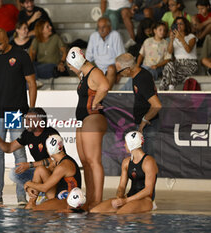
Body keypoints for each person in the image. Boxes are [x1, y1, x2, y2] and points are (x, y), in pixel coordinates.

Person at [0, 28, 37, 204]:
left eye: (0, 44)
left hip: (16, 112)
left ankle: (22, 195)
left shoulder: (21, 55)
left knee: (19, 152)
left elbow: (32, 84)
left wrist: (31, 110)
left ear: (7, 40)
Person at [66, 47, 109, 210]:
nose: (69, 67)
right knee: (85, 161)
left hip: (93, 119)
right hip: (82, 120)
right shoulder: (84, 74)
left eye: (70, 64)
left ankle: (97, 200)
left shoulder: (95, 72)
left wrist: (95, 103)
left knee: (93, 161)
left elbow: (104, 86)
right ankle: (89, 199)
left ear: (76, 61)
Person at [0, 107, 61, 203]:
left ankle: (45, 193)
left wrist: (30, 165)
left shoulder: (51, 134)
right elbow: (9, 148)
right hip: (39, 170)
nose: (25, 122)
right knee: (14, 173)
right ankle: (38, 193)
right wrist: (0, 141)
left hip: (53, 172)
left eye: (29, 120)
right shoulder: (27, 134)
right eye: (26, 119)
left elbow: (54, 161)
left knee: (40, 171)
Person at [91, 131, 158, 214]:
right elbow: (122, 186)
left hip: (146, 200)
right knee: (94, 212)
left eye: (125, 143)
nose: (124, 145)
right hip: (129, 197)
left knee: (121, 214)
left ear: (131, 145)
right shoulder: (126, 162)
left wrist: (126, 201)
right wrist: (119, 197)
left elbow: (148, 190)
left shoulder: (148, 162)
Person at [115, 53, 162, 157]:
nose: (119, 74)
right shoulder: (139, 75)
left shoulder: (142, 79)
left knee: (147, 161)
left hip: (149, 125)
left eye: (119, 71)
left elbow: (157, 105)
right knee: (143, 160)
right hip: (145, 125)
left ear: (127, 69)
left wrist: (144, 120)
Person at [24, 134, 82, 211]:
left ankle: (36, 206)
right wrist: (30, 188)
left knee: (35, 211)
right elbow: (43, 175)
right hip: (58, 196)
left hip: (68, 201)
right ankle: (31, 202)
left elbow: (45, 188)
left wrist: (28, 184)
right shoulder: (56, 162)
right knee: (40, 169)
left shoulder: (64, 165)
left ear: (49, 150)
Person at [85, 17, 125, 89]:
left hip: (112, 69)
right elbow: (88, 58)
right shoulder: (93, 36)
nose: (101, 30)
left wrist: (120, 73)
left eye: (104, 27)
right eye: (99, 27)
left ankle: (105, 95)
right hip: (98, 69)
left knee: (111, 68)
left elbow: (121, 57)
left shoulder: (115, 35)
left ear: (110, 27)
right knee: (87, 69)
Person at [160, 17, 198, 90]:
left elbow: (188, 50)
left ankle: (167, 89)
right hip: (177, 64)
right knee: (169, 64)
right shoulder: (174, 38)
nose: (178, 26)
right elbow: (170, 52)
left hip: (190, 64)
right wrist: (171, 40)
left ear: (185, 25)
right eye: (176, 24)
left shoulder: (191, 37)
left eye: (181, 24)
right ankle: (171, 87)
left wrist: (181, 38)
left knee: (165, 78)